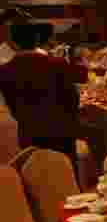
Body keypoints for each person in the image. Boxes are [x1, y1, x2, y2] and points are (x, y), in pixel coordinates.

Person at [0, 23, 86, 165]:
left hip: (28, 132)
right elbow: (73, 98)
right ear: (37, 39)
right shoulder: (57, 64)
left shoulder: (4, 71)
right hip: (61, 132)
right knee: (66, 172)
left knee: (34, 172)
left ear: (13, 43)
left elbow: (11, 105)